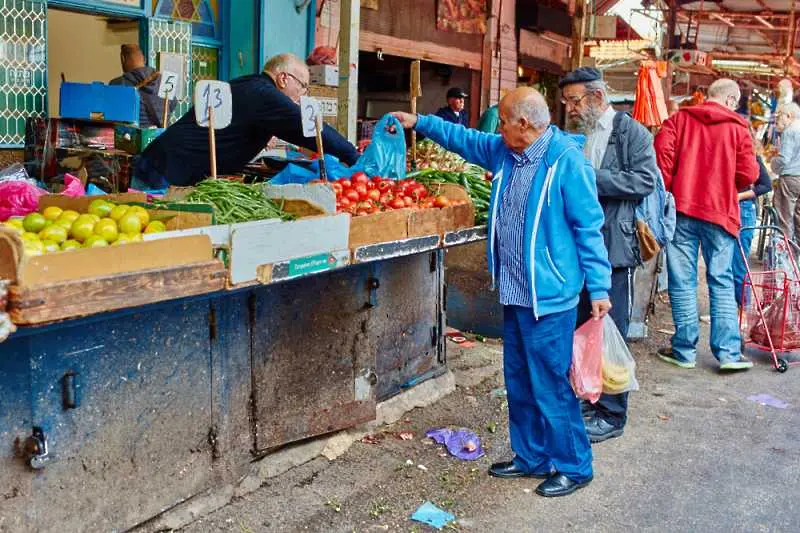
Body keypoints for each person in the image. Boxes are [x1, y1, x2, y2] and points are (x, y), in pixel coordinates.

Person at [392, 87, 612, 498]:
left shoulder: (565, 163)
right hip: (514, 291)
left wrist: (599, 286)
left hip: (550, 295)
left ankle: (574, 465)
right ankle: (530, 457)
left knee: (550, 382)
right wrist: (419, 122)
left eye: (504, 120)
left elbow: (589, 228)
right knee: (519, 380)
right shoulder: (504, 152)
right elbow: (466, 140)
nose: (498, 127)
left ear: (523, 124)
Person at [560, 67, 658, 443]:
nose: (569, 108)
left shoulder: (632, 133)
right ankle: (589, 394)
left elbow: (644, 181)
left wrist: (590, 180)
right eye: (566, 102)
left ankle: (613, 414)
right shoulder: (575, 134)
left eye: (574, 101)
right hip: (579, 247)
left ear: (597, 97)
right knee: (582, 326)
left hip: (614, 246)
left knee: (609, 328)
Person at [654, 78, 758, 371]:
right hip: (720, 213)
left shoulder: (679, 120)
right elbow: (748, 173)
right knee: (721, 280)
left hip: (683, 211)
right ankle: (727, 353)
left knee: (682, 280)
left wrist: (675, 189)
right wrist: (725, 185)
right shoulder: (738, 129)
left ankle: (684, 350)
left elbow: (662, 161)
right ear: (730, 100)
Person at [134, 53, 359, 188]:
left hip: (165, 164)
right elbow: (306, 127)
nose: (302, 95)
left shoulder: (249, 84)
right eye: (302, 87)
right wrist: (352, 156)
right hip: (164, 171)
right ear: (283, 78)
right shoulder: (264, 94)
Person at [733, 150, 772, 307]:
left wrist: (739, 196)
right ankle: (726, 312)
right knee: (723, 265)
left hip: (743, 209)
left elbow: (766, 185)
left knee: (738, 263)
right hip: (727, 208)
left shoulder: (752, 157)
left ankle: (742, 310)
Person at [110, 44, 175, 128]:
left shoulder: (117, 84)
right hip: (162, 137)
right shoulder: (166, 80)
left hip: (134, 138)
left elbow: (112, 114)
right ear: (145, 59)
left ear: (123, 59)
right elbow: (172, 106)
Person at [770, 102, 800, 241]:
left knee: (784, 219)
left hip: (790, 178)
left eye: (779, 116)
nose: (777, 120)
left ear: (788, 115)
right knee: (798, 220)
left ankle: (784, 256)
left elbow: (784, 159)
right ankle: (797, 257)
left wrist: (773, 165)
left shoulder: (790, 130)